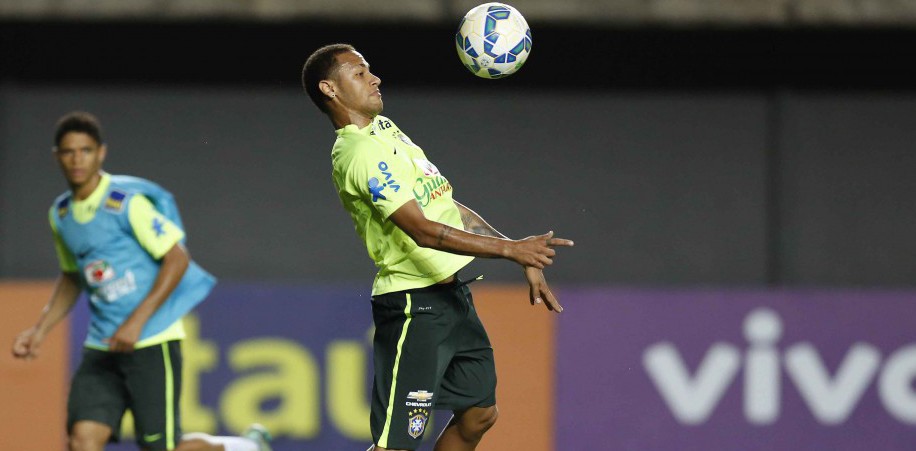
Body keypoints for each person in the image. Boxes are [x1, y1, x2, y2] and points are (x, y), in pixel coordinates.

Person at [301, 44, 574, 451]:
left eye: (370, 70)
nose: (374, 79)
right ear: (330, 88)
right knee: (399, 443)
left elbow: (444, 207)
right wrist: (510, 252)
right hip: (414, 304)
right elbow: (423, 231)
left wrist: (513, 247)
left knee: (480, 414)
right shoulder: (358, 154)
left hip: (452, 298)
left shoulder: (385, 130)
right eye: (359, 73)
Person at [10, 111, 272, 451]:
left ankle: (245, 447)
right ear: (57, 156)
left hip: (151, 341)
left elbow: (177, 259)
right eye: (68, 151)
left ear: (101, 153)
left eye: (85, 150)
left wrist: (135, 323)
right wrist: (40, 329)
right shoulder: (60, 215)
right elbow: (73, 276)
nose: (77, 159)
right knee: (81, 441)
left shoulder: (124, 204)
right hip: (103, 346)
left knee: (161, 447)